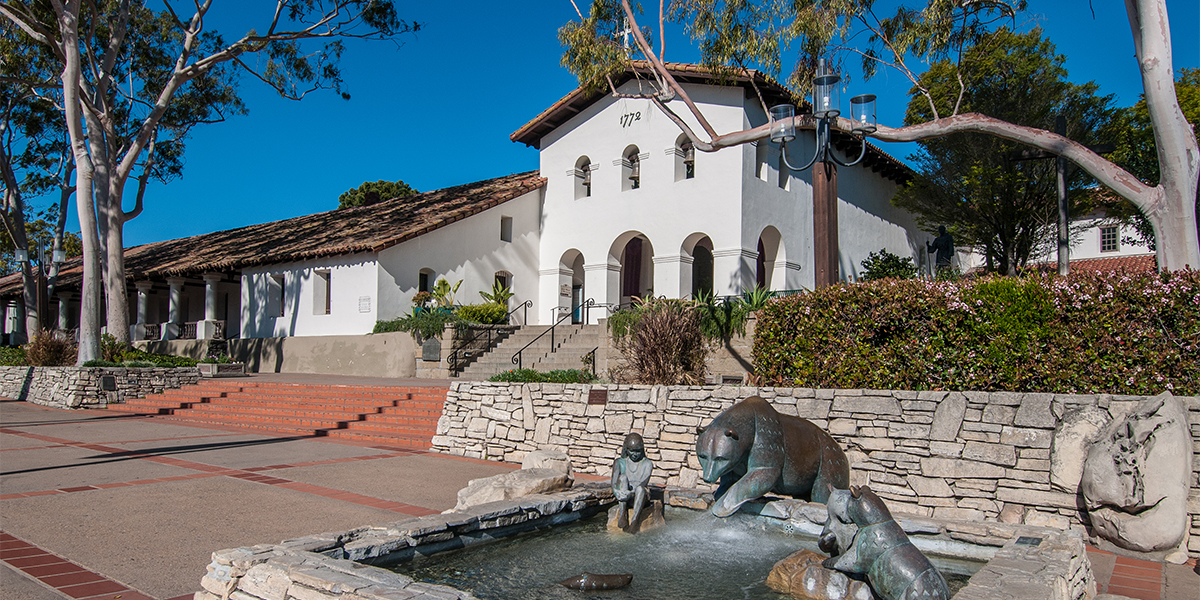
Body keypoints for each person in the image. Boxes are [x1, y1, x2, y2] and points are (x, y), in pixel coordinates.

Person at [611, 432, 653, 530]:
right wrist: (618, 494)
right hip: (624, 496)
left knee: (640, 489)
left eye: (638, 451)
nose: (635, 454)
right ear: (626, 449)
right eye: (632, 451)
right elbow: (613, 484)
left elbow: (643, 483)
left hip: (640, 496)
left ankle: (635, 521)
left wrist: (630, 494)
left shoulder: (647, 464)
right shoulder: (619, 462)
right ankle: (623, 513)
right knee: (622, 478)